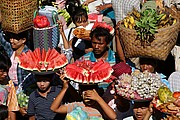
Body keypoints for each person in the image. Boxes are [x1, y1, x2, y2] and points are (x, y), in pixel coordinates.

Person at [50, 72, 117, 120]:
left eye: (91, 91)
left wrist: (98, 99)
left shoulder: (101, 107)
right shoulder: (76, 106)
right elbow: (54, 108)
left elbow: (113, 117)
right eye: (84, 91)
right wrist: (65, 88)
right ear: (80, 93)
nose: (88, 94)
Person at [0, 53, 19, 120]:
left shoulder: (9, 83)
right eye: (2, 71)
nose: (5, 74)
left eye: (7, 71)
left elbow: (12, 106)